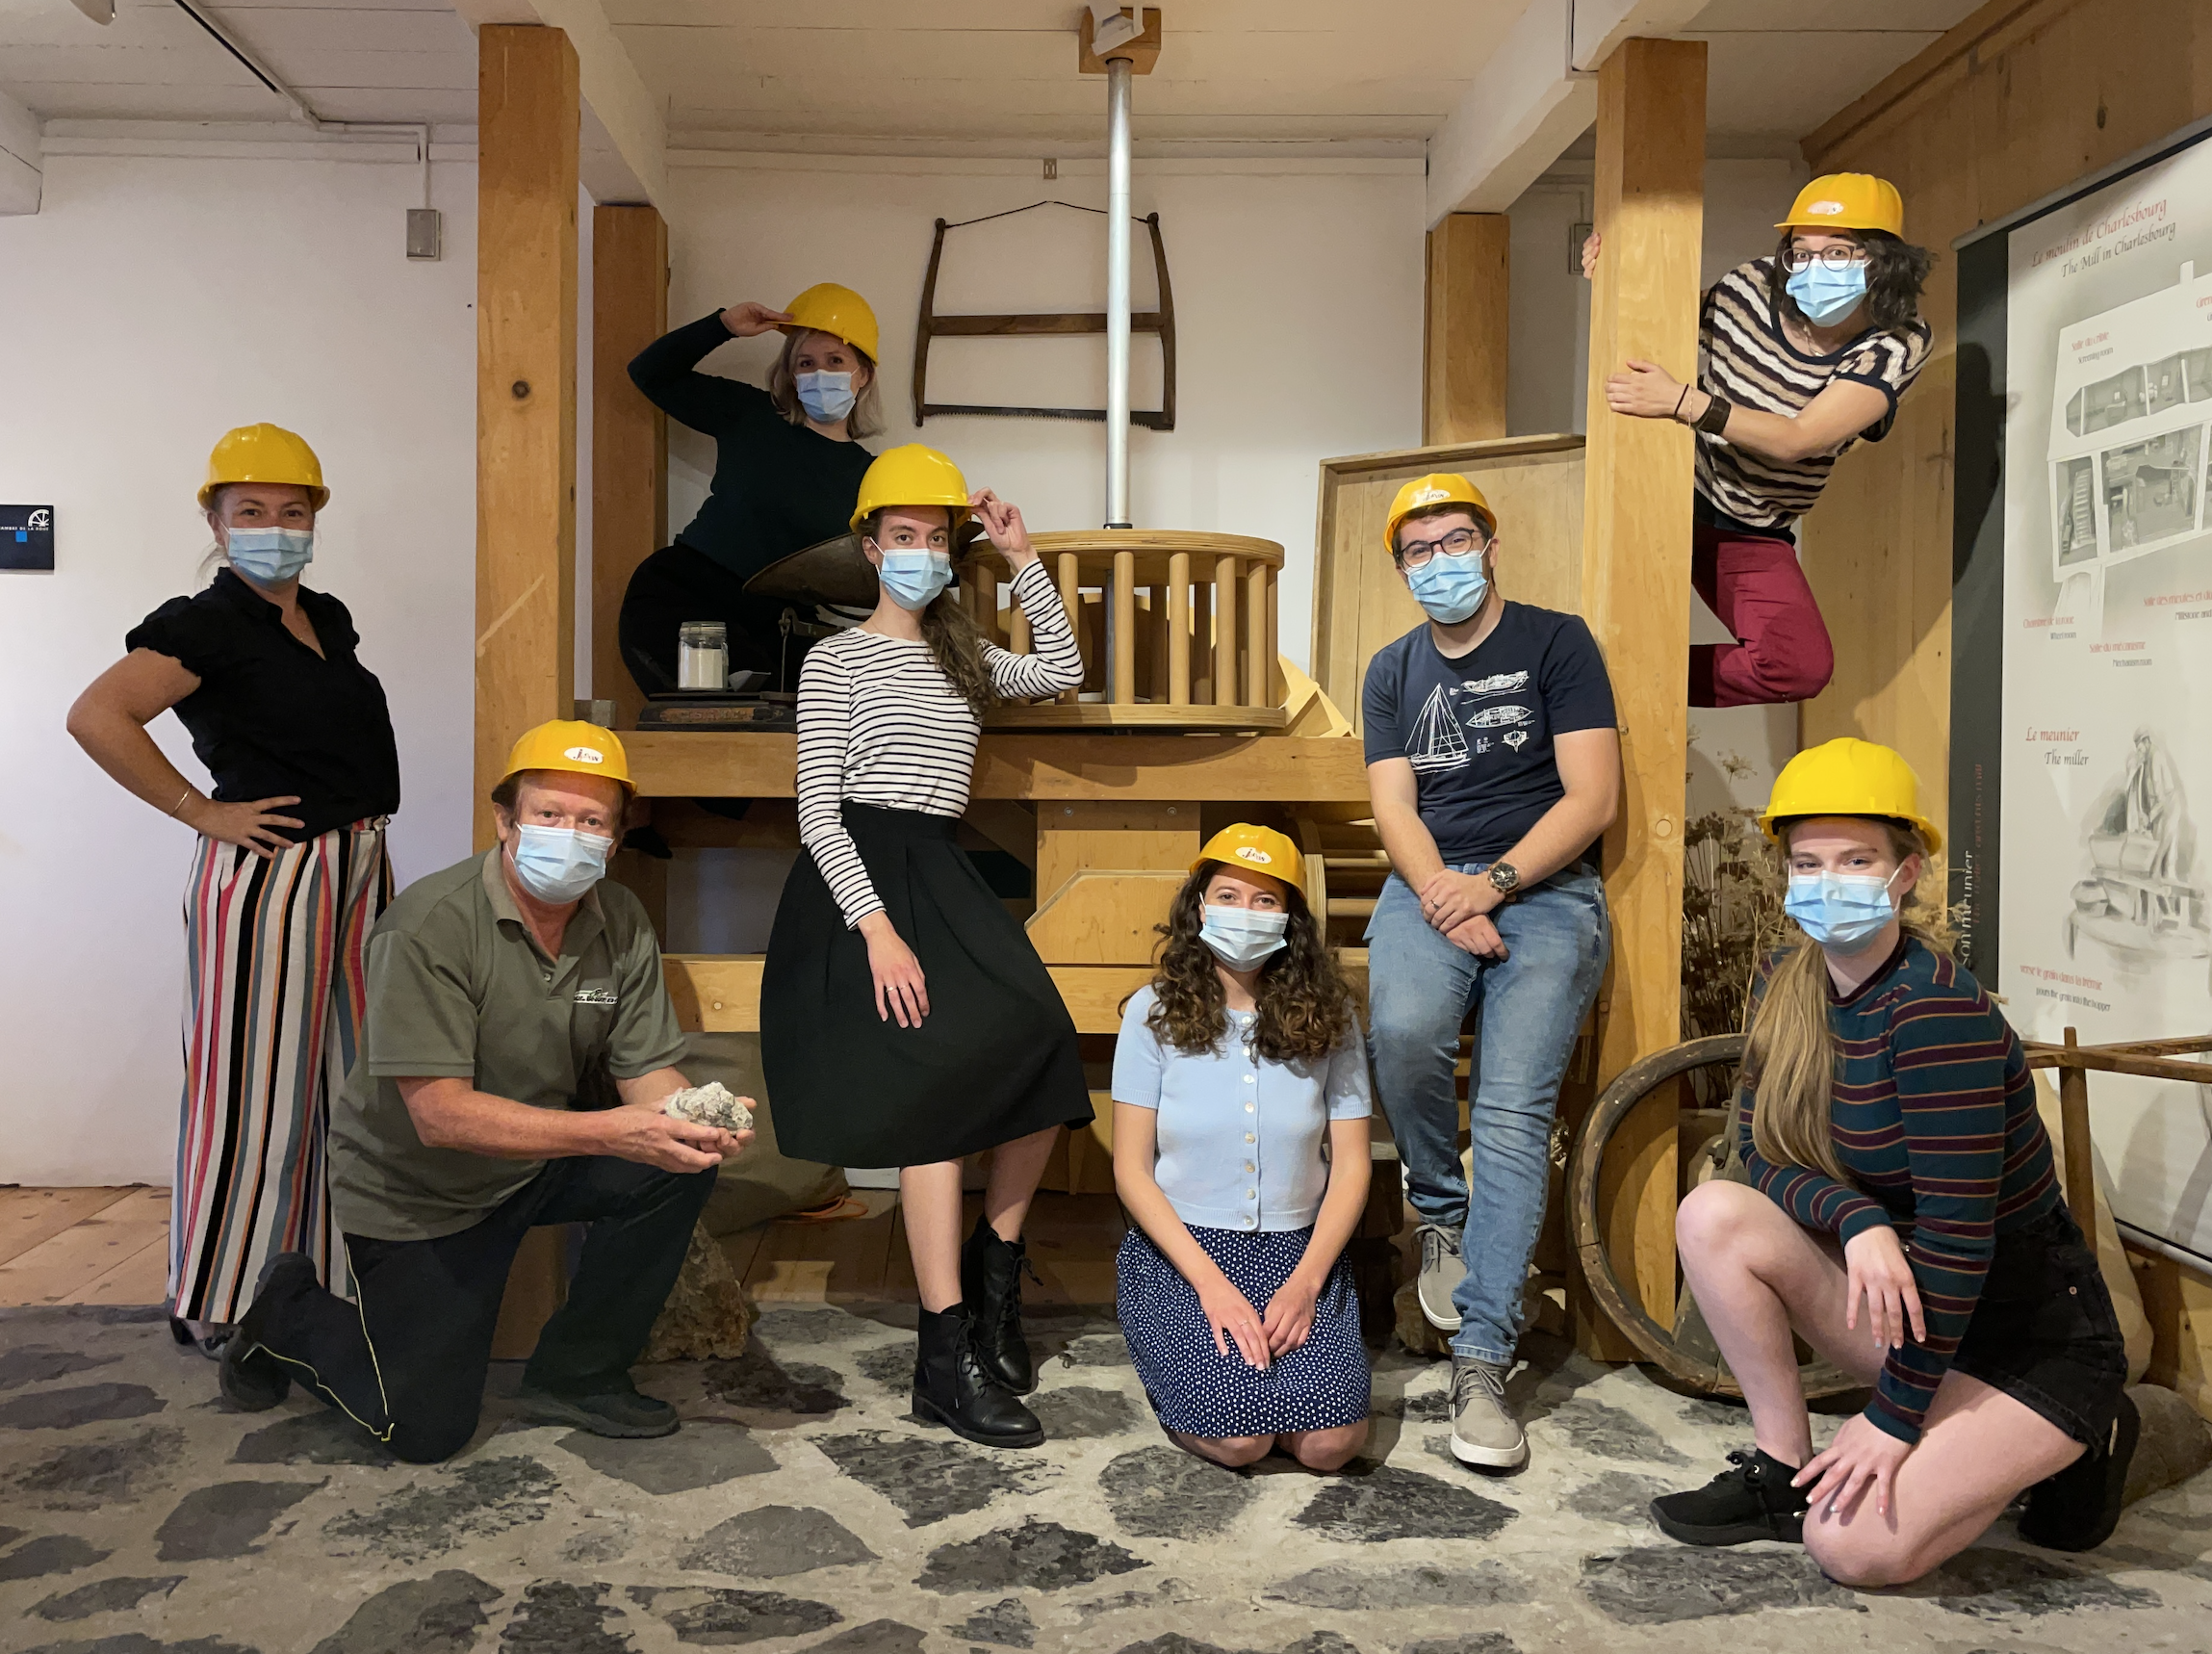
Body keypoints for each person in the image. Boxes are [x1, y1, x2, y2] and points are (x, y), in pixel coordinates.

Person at [1651, 738, 2136, 1585]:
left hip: (2024, 1340)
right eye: (1808, 862)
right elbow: (1756, 1151)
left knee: (1852, 1548)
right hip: (1912, 1312)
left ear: (1905, 873)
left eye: (1856, 860)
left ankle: (2091, 1431)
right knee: (1713, 1214)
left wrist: (1893, 1418)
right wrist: (1858, 1219)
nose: (1828, 881)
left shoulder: (1937, 1012)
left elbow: (1959, 1239)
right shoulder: (1784, 981)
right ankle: (1780, 1471)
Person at [213, 722, 753, 1464]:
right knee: (421, 1431)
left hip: (540, 1155)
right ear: (506, 820)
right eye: (549, 814)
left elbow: (647, 1072)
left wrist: (693, 1118)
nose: (570, 835)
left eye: (592, 821)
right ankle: (287, 1309)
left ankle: (580, 1374)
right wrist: (613, 1131)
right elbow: (439, 1117)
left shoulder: (621, 919)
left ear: (616, 838)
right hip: (423, 1191)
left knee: (677, 1164)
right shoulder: (429, 926)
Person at [760, 444, 1088, 1450]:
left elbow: (1063, 672)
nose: (920, 551)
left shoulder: (964, 653)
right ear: (869, 548)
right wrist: (877, 932)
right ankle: (943, 1356)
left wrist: (1021, 555)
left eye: (936, 537)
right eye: (901, 535)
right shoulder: (834, 659)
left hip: (941, 865)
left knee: (1045, 1041)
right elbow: (818, 813)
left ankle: (995, 1269)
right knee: (935, 1099)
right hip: (858, 880)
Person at [65, 424, 399, 1358]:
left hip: (357, 862)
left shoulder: (323, 616)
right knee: (250, 1090)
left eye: (292, 510)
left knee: (347, 1085)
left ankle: (321, 1283)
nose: (273, 527)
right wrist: (198, 810)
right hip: (273, 872)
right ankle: (219, 1299)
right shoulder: (202, 622)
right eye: (250, 509)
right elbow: (98, 714)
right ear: (215, 521)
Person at [1361, 473, 1620, 1472]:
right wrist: (1444, 893)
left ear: (1490, 544)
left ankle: (1482, 1359)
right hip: (1430, 885)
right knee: (1402, 1032)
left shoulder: (1558, 642)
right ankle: (1440, 1211)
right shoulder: (1393, 668)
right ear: (1402, 567)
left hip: (1544, 889)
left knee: (1512, 1113)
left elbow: (1591, 796)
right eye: (1420, 550)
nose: (1441, 562)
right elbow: (1394, 805)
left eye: (1456, 540)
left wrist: (1496, 884)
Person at [1584, 172, 1933, 707]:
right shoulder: (1749, 287)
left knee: (1796, 666)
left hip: (1752, 526)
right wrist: (1610, 272)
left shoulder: (1899, 340)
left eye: (1839, 252)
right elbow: (1655, 312)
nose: (1815, 268)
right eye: (1802, 251)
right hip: (1670, 492)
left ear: (1884, 262)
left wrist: (1685, 402)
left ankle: (1622, 682)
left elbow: (1801, 438)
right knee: (1600, 611)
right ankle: (1587, 679)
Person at [1112, 826, 1373, 1471]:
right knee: (1240, 1440)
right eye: (1228, 895)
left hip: (1300, 1253)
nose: (1245, 912)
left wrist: (1307, 1283)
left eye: (1265, 900)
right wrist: (1211, 1286)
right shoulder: (1150, 1013)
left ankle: (1273, 1395)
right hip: (1185, 1253)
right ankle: (1177, 1362)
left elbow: (1352, 1164)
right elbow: (1131, 1170)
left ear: (1290, 917)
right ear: (1199, 906)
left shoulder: (1333, 1016)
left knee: (1330, 1445)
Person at [619, 283, 884, 695]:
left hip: (778, 627)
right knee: (707, 720)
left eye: (835, 361)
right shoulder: (752, 415)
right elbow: (650, 373)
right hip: (686, 598)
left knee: (816, 706)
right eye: (806, 363)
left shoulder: (872, 475)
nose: (820, 373)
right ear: (792, 376)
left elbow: (897, 559)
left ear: (863, 374)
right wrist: (723, 326)